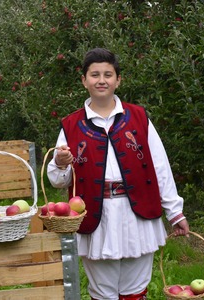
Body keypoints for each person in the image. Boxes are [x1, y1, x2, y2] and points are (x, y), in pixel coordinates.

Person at [47, 48, 189, 300]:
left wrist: (175, 212)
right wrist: (60, 162)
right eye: (94, 75)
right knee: (103, 290)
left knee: (135, 287)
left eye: (108, 74)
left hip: (138, 214)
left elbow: (160, 167)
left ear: (118, 79)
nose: (101, 80)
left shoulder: (139, 117)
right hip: (97, 217)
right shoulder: (71, 125)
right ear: (84, 80)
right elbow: (59, 179)